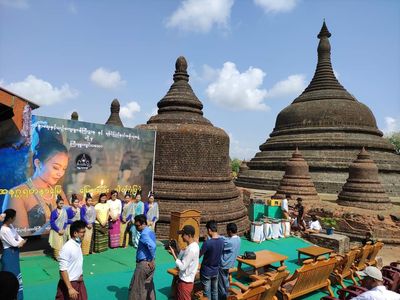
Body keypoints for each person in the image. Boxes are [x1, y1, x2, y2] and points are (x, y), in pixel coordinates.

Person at [3, 128, 69, 234]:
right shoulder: (15, 194)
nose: (60, 173)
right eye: (56, 167)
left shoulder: (58, 191)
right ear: (38, 163)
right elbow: (19, 238)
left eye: (64, 169)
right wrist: (52, 224)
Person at [55, 220, 88, 300]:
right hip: (69, 285)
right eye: (82, 232)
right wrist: (70, 288)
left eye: (84, 232)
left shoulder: (77, 244)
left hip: (79, 282)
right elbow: (63, 269)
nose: (84, 234)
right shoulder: (67, 248)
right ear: (75, 233)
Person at [128, 214, 156, 300]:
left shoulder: (144, 234)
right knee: (148, 286)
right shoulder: (150, 231)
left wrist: (152, 259)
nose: (136, 228)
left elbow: (153, 246)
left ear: (143, 223)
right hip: (149, 264)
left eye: (137, 225)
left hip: (144, 264)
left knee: (137, 289)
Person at [0, 209, 26, 300]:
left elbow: (18, 237)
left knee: (17, 278)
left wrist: (21, 241)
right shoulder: (4, 230)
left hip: (14, 255)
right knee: (9, 279)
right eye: (14, 216)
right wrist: (21, 242)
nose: (15, 218)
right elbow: (15, 243)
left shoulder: (10, 226)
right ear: (10, 218)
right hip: (9, 256)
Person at [169, 225, 200, 300]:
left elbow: (182, 267)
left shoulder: (190, 249)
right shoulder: (195, 246)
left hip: (185, 282)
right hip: (188, 281)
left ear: (189, 235)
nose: (181, 236)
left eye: (183, 234)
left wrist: (174, 254)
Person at [199, 220, 224, 300]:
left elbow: (199, 255)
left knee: (207, 293)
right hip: (215, 270)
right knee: (215, 291)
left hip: (206, 271)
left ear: (209, 230)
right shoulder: (222, 241)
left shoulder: (208, 243)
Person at [219, 223, 241, 300]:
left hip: (224, 264)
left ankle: (224, 297)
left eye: (227, 231)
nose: (226, 233)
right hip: (231, 263)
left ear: (230, 231)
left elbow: (221, 245)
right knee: (225, 279)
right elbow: (226, 239)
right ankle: (227, 293)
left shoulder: (229, 242)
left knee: (222, 283)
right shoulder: (238, 239)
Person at [49, 195, 68, 260]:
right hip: (56, 231)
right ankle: (57, 257)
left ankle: (62, 256)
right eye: (60, 203)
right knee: (57, 244)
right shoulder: (54, 212)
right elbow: (52, 223)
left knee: (63, 244)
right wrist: (58, 230)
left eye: (62, 203)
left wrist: (63, 229)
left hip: (63, 230)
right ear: (57, 203)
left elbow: (66, 221)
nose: (61, 205)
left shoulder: (64, 211)